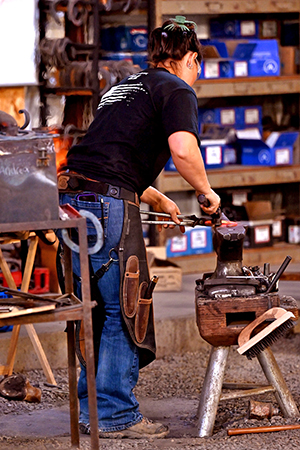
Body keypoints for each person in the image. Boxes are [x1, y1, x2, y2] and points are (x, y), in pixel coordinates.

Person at [57, 15, 220, 439]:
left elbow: (107, 158)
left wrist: (159, 197)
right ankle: (113, 415)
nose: (197, 73)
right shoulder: (178, 89)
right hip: (106, 205)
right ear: (190, 58)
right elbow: (183, 150)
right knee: (123, 309)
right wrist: (205, 191)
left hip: (72, 200)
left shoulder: (123, 88)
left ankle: (94, 410)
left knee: (94, 307)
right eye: (198, 64)